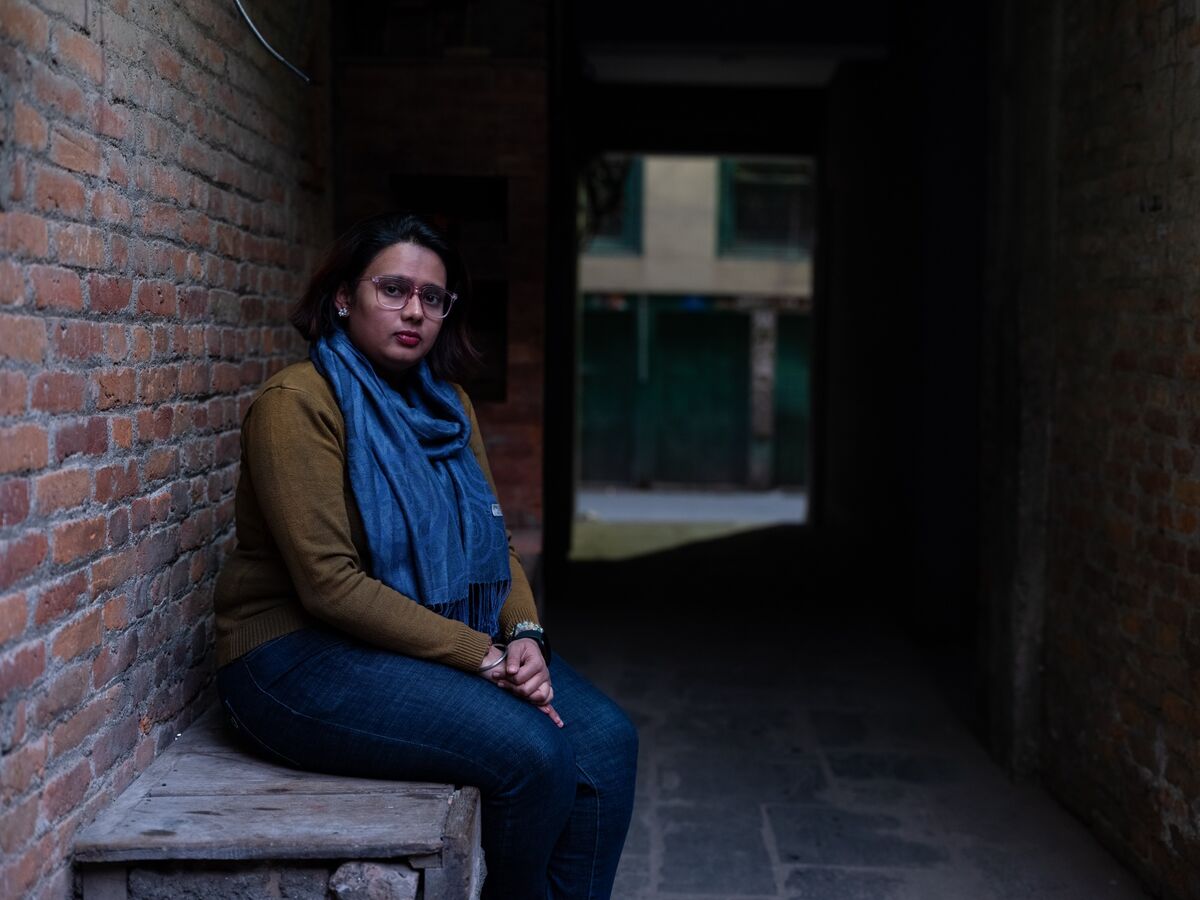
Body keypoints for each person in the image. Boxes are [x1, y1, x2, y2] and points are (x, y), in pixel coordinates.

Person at [213, 212, 638, 899]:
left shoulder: (449, 406)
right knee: (535, 756)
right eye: (393, 290)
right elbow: (330, 586)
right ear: (344, 297)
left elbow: (494, 543)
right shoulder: (297, 404)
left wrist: (525, 635)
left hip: (426, 636)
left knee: (609, 746)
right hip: (294, 659)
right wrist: (485, 657)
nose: (414, 311)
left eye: (432, 297)